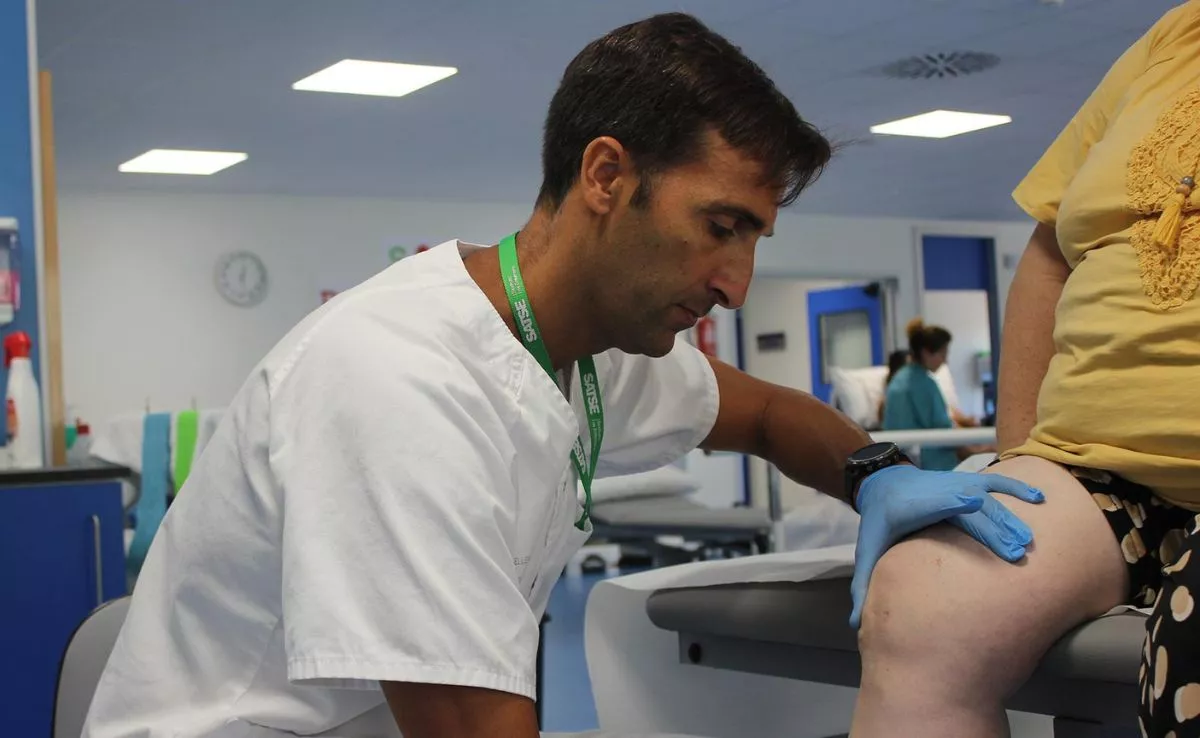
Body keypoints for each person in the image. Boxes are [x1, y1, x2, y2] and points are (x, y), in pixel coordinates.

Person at [83, 13, 1043, 738]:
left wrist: (873, 474)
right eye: (721, 227)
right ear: (605, 176)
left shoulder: (576, 351)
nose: (738, 286)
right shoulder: (404, 382)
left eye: (755, 238)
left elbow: (766, 415)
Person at [851, 5, 1200, 737]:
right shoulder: (1174, 38)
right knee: (920, 598)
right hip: (1104, 479)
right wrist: (1020, 456)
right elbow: (1048, 251)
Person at [881, 319, 959, 470]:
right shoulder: (924, 384)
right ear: (926, 353)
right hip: (929, 462)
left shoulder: (900, 378)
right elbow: (943, 430)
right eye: (942, 354)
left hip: (902, 461)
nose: (945, 361)